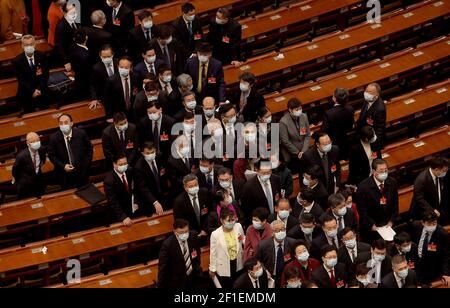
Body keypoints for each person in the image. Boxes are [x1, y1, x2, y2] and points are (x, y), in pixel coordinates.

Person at [356, 159, 399, 242]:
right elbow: (362, 211)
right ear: (373, 171)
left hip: (388, 226)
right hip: (371, 228)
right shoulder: (363, 187)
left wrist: (391, 221)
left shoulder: (392, 182)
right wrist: (371, 225)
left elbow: (395, 204)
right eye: (381, 170)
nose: (384, 173)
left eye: (386, 170)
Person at [48, 114, 93, 189]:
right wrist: (63, 166)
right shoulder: (54, 138)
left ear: (71, 123)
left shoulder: (81, 133)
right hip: (65, 176)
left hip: (82, 173)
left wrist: (85, 164)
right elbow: (51, 156)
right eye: (61, 123)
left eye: (66, 122)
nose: (63, 125)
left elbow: (89, 149)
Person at [158, 219, 202, 288]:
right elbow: (163, 267)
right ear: (175, 231)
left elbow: (198, 254)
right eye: (181, 232)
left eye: (186, 231)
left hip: (194, 277)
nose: (184, 234)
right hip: (177, 282)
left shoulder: (193, 236)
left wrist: (198, 269)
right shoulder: (168, 245)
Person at [410, 211, 450, 285]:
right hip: (417, 265)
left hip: (432, 268)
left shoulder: (443, 234)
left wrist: (446, 273)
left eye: (434, 223)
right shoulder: (416, 226)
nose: (432, 226)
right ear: (423, 223)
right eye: (429, 223)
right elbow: (412, 243)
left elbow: (447, 255)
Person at [209, 208, 246, 288]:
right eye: (229, 220)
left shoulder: (238, 226)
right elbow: (213, 253)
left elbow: (243, 239)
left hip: (238, 262)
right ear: (222, 220)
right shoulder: (215, 234)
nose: (232, 222)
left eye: (233, 220)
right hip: (224, 265)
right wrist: (212, 268)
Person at [13, 34, 49, 114]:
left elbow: (45, 75)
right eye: (26, 45)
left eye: (31, 44)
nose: (29, 47)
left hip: (42, 90)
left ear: (34, 44)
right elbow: (21, 80)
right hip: (27, 92)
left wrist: (38, 89)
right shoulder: (17, 61)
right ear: (22, 46)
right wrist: (33, 91)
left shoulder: (41, 56)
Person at [256, 220, 297, 286]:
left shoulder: (292, 243)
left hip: (287, 277)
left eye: (282, 229)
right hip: (270, 276)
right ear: (272, 232)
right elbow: (258, 260)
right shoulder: (263, 245)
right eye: (277, 230)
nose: (280, 232)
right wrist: (265, 271)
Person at [410, 156, 449, 224]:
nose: (445, 173)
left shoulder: (439, 175)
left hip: (438, 209)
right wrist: (432, 210)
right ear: (436, 169)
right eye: (444, 171)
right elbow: (419, 199)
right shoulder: (421, 180)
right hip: (424, 213)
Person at [133, 142, 167, 216]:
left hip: (162, 196)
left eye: (152, 152)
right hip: (148, 200)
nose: (151, 155)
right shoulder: (138, 167)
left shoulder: (159, 157)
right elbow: (143, 188)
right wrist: (155, 202)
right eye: (148, 153)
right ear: (142, 153)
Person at [104, 154, 137, 226]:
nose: (124, 166)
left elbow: (134, 188)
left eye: (125, 164)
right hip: (117, 215)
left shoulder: (130, 171)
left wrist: (135, 202)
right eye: (121, 164)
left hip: (131, 209)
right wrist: (123, 217)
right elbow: (112, 201)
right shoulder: (109, 180)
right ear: (114, 164)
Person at [321, 87, 354, 160]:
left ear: (335, 99)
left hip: (334, 143)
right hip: (346, 140)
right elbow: (350, 125)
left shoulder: (329, 113)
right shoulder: (350, 109)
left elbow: (324, 131)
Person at [12, 132, 46, 199]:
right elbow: (15, 172)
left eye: (38, 140)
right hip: (25, 186)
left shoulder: (42, 149)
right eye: (33, 141)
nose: (36, 142)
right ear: (28, 143)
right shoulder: (21, 156)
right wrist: (23, 179)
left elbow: (42, 161)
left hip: (39, 183)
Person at [279, 98, 311, 168]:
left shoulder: (304, 116)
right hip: (292, 152)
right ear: (290, 110)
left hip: (304, 149)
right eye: (296, 110)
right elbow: (285, 141)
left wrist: (304, 150)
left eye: (300, 108)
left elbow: (308, 135)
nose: (299, 111)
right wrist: (297, 152)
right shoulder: (283, 122)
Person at [355, 83, 386, 152]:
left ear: (376, 95)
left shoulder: (380, 109)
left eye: (370, 92)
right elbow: (363, 115)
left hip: (370, 139)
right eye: (366, 91)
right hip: (362, 133)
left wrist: (373, 145)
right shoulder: (368, 100)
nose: (366, 93)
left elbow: (379, 129)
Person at [89, 44, 119, 109]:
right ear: (100, 56)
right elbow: (92, 84)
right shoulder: (96, 68)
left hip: (120, 95)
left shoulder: (119, 63)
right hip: (106, 98)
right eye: (104, 57)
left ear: (113, 54)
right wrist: (94, 98)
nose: (107, 59)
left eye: (109, 56)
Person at [68, 29, 93, 100]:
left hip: (78, 74)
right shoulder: (85, 56)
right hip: (85, 79)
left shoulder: (72, 47)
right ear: (86, 37)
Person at [54, 3, 78, 71]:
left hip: (75, 53)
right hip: (68, 56)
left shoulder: (73, 19)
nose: (74, 14)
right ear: (64, 13)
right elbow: (59, 45)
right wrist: (66, 61)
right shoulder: (61, 27)